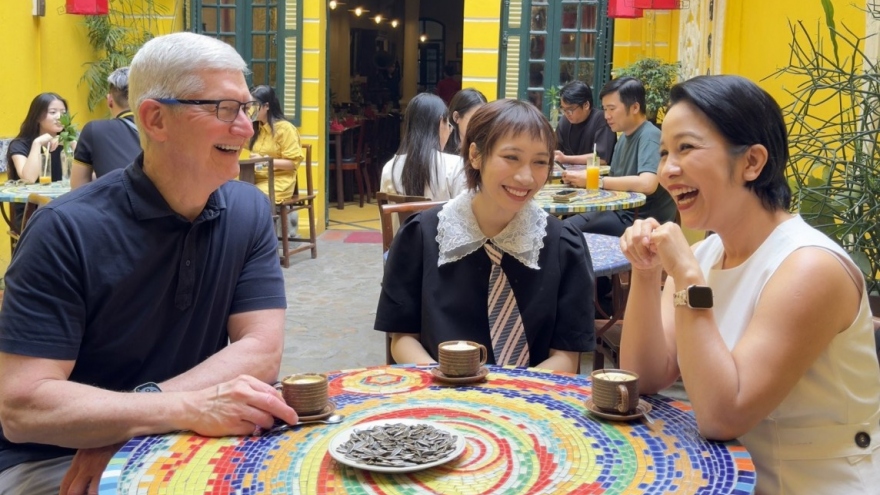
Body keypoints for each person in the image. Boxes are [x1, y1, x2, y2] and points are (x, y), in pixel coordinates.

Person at [0, 32, 297, 495]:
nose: (245, 128)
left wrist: (134, 424)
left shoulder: (248, 210)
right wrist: (166, 415)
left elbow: (261, 350)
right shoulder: (65, 230)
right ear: (155, 118)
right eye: (224, 109)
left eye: (246, 109)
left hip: (177, 436)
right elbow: (23, 407)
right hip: (56, 461)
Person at [618, 75, 880, 494]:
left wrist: (686, 278)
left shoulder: (809, 266)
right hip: (724, 479)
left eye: (686, 148)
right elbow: (644, 375)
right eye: (665, 151)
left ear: (752, 162)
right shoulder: (706, 254)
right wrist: (647, 275)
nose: (667, 169)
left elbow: (723, 415)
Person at [375, 99, 595, 374]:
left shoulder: (563, 246)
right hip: (442, 397)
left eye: (540, 162)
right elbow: (402, 338)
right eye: (511, 157)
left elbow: (566, 356)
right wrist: (448, 381)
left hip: (529, 403)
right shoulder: (421, 236)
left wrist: (508, 394)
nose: (526, 177)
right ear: (476, 155)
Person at [563, 77, 676, 236]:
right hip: (618, 212)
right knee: (560, 227)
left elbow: (647, 184)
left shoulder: (650, 136)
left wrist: (595, 181)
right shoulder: (623, 138)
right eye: (605, 109)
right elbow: (614, 183)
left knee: (565, 232)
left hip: (639, 221)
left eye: (611, 109)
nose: (606, 116)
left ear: (635, 107)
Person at [380, 92, 466, 231]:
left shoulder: (389, 167)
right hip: (439, 252)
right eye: (449, 125)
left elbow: (387, 226)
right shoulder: (454, 165)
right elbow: (464, 220)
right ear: (440, 122)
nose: (449, 132)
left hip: (400, 251)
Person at [71, 67, 142, 189]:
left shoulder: (94, 130)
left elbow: (78, 188)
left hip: (115, 206)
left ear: (109, 100)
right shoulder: (164, 128)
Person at [247, 85, 305, 203]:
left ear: (266, 106)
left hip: (279, 181)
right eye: (249, 105)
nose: (250, 109)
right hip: (255, 179)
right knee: (233, 195)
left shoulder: (285, 129)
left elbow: (293, 163)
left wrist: (264, 160)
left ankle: (266, 221)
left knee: (250, 198)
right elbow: (238, 143)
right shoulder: (257, 128)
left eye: (254, 105)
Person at [554, 80, 616, 166]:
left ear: (586, 105)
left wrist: (566, 159)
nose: (567, 113)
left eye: (571, 109)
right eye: (564, 110)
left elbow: (601, 159)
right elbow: (555, 151)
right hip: (568, 177)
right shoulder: (564, 122)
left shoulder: (601, 119)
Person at [443, 88, 487, 155]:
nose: (479, 124)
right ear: (456, 117)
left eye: (483, 119)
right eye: (474, 119)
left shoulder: (485, 149)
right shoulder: (442, 149)